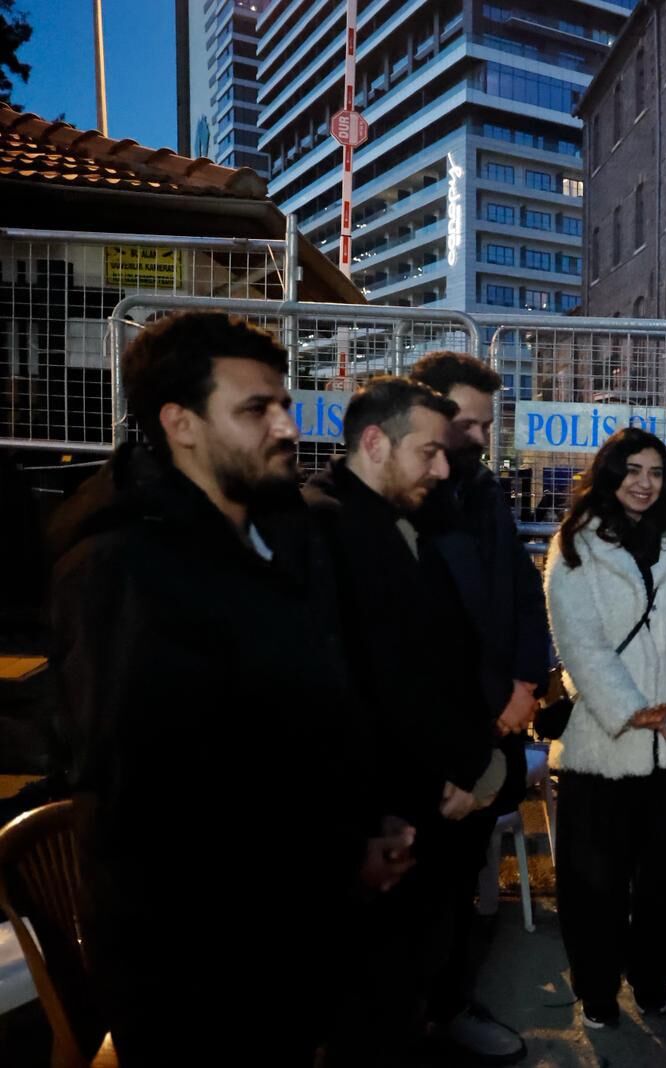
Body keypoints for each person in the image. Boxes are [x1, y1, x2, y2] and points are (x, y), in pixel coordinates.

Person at [47, 312, 411, 1065]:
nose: (285, 425)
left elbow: (325, 703)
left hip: (298, 934)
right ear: (179, 423)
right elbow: (156, 795)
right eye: (255, 409)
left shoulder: (286, 535)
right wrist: (330, 855)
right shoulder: (122, 567)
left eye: (283, 402)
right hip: (198, 971)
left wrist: (363, 827)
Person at [304, 377, 507, 1063]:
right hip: (387, 827)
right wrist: (460, 770)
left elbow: (446, 657)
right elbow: (367, 689)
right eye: (430, 452)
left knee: (408, 985)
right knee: (373, 1007)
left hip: (430, 805)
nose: (445, 468)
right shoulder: (327, 530)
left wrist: (476, 762)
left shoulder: (403, 520)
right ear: (372, 442)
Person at [544, 427, 666, 1030]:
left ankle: (652, 984)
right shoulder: (574, 546)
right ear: (609, 474)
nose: (645, 483)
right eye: (633, 471)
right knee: (593, 884)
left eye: (655, 472)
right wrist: (628, 710)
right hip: (604, 749)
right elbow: (580, 643)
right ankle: (597, 994)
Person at [410, 351, 551, 1061]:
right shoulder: (399, 508)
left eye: (485, 424)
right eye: (465, 424)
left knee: (464, 880)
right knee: (415, 891)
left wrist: (527, 683)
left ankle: (450, 1003)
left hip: (495, 724)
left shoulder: (485, 493)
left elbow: (523, 592)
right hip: (436, 742)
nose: (477, 438)